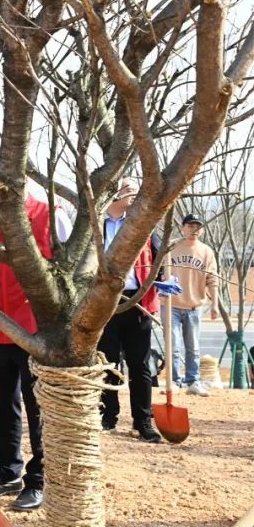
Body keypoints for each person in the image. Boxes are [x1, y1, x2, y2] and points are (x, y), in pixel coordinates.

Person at [0, 162, 71, 511]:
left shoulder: (51, 216)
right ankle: (8, 472)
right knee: (2, 406)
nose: (1, 188)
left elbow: (73, 270)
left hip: (37, 331)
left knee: (38, 408)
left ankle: (39, 479)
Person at [97, 178, 165, 443]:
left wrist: (160, 282)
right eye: (128, 191)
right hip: (104, 302)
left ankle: (143, 420)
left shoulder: (144, 225)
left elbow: (158, 259)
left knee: (140, 364)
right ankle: (107, 415)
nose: (133, 196)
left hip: (137, 301)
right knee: (108, 362)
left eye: (136, 192)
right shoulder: (97, 225)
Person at [169, 212, 219, 397]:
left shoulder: (206, 252)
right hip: (171, 304)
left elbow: (212, 279)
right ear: (183, 227)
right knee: (172, 345)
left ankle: (192, 381)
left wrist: (214, 304)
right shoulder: (171, 246)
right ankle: (174, 381)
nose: (194, 230)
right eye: (190, 226)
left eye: (198, 226)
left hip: (194, 306)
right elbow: (157, 272)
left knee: (193, 346)